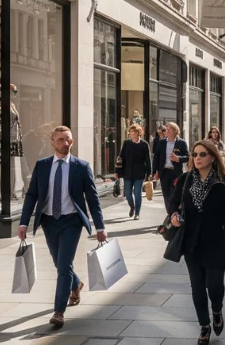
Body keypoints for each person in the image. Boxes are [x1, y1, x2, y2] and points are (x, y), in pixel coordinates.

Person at [18, 126, 106, 328]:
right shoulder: (42, 166)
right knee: (59, 263)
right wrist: (23, 222)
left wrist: (100, 227)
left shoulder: (81, 167)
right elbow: (32, 195)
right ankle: (76, 284)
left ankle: (59, 311)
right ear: (52, 142)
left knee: (64, 264)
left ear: (72, 142)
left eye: (68, 140)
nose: (65, 144)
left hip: (71, 221)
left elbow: (92, 199)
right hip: (49, 221)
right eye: (61, 140)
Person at [168, 140, 225, 345]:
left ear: (213, 156)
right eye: (195, 154)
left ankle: (217, 310)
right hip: (191, 242)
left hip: (216, 241)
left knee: (214, 285)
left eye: (202, 154)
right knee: (197, 287)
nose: (198, 158)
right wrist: (174, 215)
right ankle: (204, 326)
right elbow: (173, 203)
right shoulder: (185, 179)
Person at [114, 124, 152, 220]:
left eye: (135, 132)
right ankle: (132, 206)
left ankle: (137, 213)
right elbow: (120, 158)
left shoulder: (144, 144)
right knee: (127, 193)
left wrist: (149, 173)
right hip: (127, 172)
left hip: (139, 173)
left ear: (139, 133)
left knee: (137, 193)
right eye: (131, 132)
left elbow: (148, 160)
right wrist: (117, 171)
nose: (133, 134)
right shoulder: (126, 143)